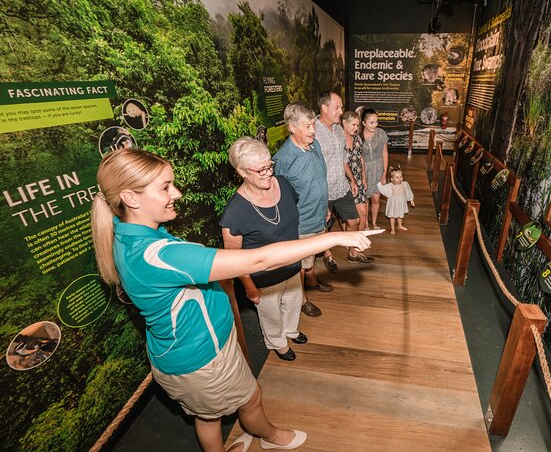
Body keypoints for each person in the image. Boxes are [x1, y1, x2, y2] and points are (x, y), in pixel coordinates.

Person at [91, 147, 377, 452]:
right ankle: (271, 437)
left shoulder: (127, 234)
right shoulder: (158, 255)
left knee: (207, 414)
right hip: (203, 358)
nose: (176, 193)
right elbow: (257, 261)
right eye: (165, 187)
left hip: (185, 351)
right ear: (130, 198)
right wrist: (332, 238)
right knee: (250, 398)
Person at [220, 138, 306, 362]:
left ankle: (291, 331)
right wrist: (249, 286)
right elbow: (234, 258)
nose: (269, 173)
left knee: (293, 302)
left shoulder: (283, 183)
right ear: (242, 171)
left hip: (293, 265)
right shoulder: (235, 212)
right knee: (271, 314)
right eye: (261, 169)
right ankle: (277, 342)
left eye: (270, 165)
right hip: (264, 277)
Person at [273, 104, 330, 317]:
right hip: (301, 222)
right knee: (299, 264)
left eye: (313, 124)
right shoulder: (284, 158)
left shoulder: (315, 146)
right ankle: (302, 300)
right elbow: (279, 195)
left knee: (312, 257)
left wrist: (326, 207)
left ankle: (313, 281)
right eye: (307, 126)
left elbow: (319, 179)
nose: (313, 130)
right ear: (292, 128)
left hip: (319, 215)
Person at [314, 91, 374, 266]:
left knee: (354, 220)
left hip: (341, 187)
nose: (341, 111)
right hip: (323, 190)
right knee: (324, 224)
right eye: (337, 107)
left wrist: (353, 181)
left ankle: (353, 253)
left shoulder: (339, 130)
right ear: (324, 108)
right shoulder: (314, 132)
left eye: (341, 107)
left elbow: (343, 159)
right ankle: (328, 254)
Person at [360, 108, 389, 230]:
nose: (375, 125)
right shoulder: (358, 136)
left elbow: (385, 154)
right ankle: (365, 223)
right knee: (365, 198)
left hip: (378, 168)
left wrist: (384, 173)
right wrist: (362, 177)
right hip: (364, 170)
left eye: (376, 122)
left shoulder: (381, 133)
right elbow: (359, 157)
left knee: (376, 198)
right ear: (363, 123)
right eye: (371, 122)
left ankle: (374, 223)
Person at [341, 111, 369, 232]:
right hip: (344, 181)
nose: (356, 128)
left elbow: (361, 159)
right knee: (348, 218)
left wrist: (364, 178)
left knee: (363, 212)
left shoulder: (357, 138)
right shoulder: (338, 140)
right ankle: (349, 241)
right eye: (353, 125)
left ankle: (359, 243)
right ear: (344, 123)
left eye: (357, 126)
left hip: (358, 180)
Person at [377, 166, 415, 235]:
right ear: (392, 179)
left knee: (400, 215)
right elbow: (384, 190)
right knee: (392, 216)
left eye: (401, 176)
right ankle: (392, 229)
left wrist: (411, 199)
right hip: (393, 204)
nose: (400, 179)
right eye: (397, 177)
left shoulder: (405, 184)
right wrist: (379, 184)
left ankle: (400, 225)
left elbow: (408, 191)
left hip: (401, 203)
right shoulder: (390, 186)